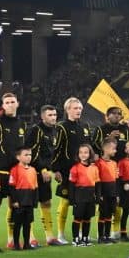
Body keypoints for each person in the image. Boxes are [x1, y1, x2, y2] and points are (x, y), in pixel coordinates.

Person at [57, 97, 101, 236]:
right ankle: (60, 234)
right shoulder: (61, 127)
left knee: (83, 202)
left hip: (84, 171)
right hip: (67, 170)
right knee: (65, 202)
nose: (79, 110)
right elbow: (56, 149)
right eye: (75, 108)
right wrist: (56, 169)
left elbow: (90, 146)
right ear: (67, 110)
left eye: (80, 108)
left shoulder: (85, 126)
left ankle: (82, 233)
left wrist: (94, 156)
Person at [29, 103, 69, 246]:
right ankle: (30, 237)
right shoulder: (36, 130)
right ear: (42, 116)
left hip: (46, 172)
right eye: (50, 115)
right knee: (29, 204)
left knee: (46, 202)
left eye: (55, 115)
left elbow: (52, 154)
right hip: (32, 172)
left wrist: (55, 169)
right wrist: (42, 169)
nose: (53, 117)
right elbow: (31, 153)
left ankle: (50, 237)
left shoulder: (55, 131)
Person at [8, 147, 41, 250]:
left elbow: (35, 186)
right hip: (19, 199)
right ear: (18, 157)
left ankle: (27, 244)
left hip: (29, 199)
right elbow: (12, 187)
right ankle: (16, 244)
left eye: (30, 155)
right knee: (17, 224)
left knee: (28, 223)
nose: (29, 157)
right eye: (26, 155)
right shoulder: (15, 170)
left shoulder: (33, 170)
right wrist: (14, 201)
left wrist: (35, 201)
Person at [66, 144, 99, 245]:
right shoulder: (75, 168)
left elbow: (97, 183)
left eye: (86, 152)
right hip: (79, 194)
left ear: (90, 154)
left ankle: (85, 238)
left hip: (90, 194)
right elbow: (71, 185)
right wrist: (71, 199)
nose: (83, 154)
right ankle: (75, 239)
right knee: (78, 217)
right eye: (81, 152)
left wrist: (98, 196)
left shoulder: (94, 168)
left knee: (87, 218)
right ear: (78, 154)